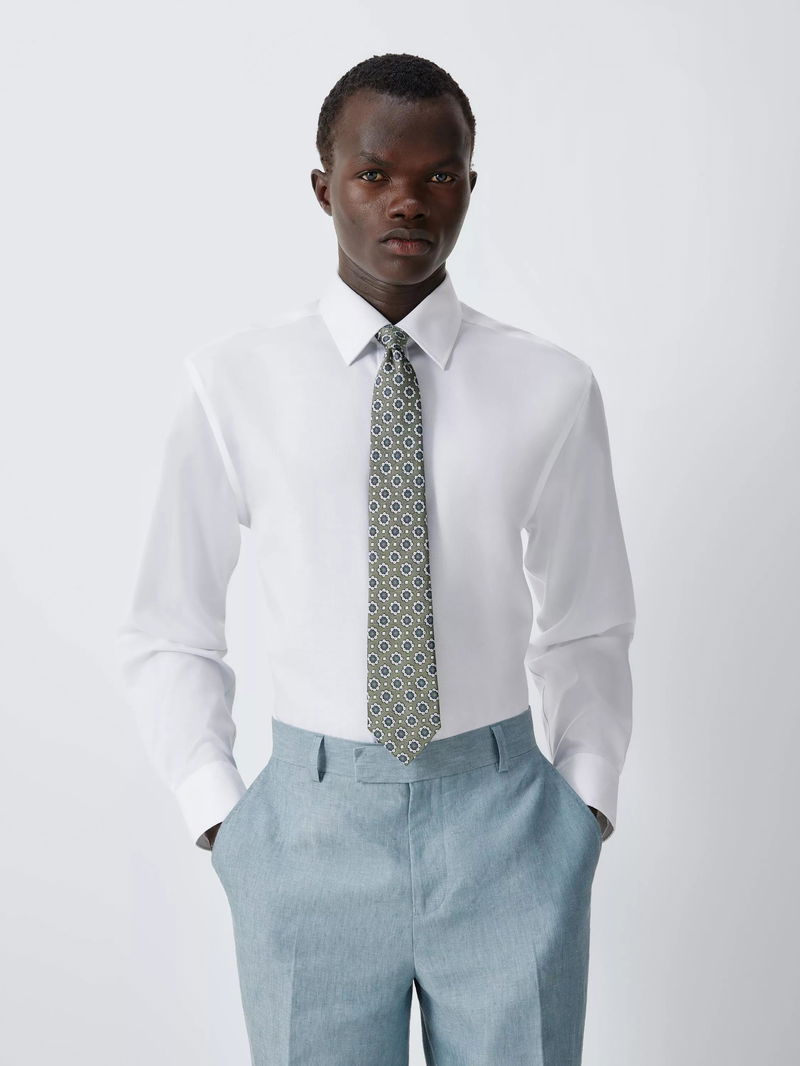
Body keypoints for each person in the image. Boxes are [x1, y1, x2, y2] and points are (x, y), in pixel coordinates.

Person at [116, 51, 636, 1066]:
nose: (408, 200)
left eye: (438, 174)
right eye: (373, 173)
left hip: (508, 832)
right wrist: (224, 820)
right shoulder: (233, 383)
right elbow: (168, 625)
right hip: (307, 836)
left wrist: (584, 808)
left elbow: (589, 621)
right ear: (324, 188)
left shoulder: (550, 388)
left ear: (470, 185)